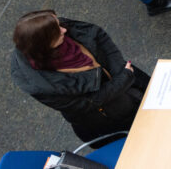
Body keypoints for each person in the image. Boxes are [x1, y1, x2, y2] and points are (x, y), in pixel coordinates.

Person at [10, 10, 151, 142]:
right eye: (58, 31)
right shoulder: (41, 85)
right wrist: (123, 79)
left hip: (127, 80)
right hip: (110, 113)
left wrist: (120, 71)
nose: (64, 30)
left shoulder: (57, 28)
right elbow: (87, 103)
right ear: (45, 43)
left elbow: (101, 40)